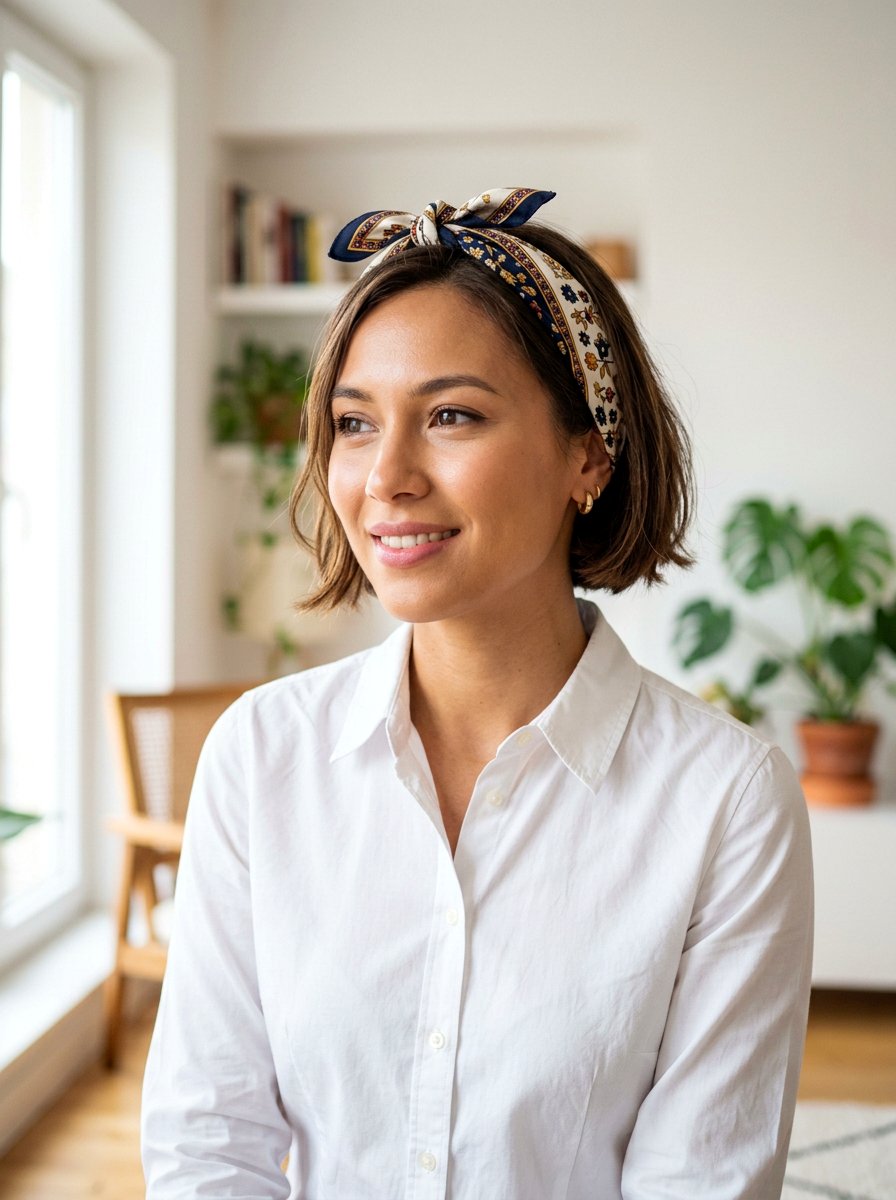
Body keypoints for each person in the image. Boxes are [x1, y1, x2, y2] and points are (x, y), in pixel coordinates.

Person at [141, 188, 813, 1198]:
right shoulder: (260, 756)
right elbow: (208, 1142)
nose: (386, 477)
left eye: (451, 415)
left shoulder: (726, 802)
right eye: (354, 423)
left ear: (586, 454)